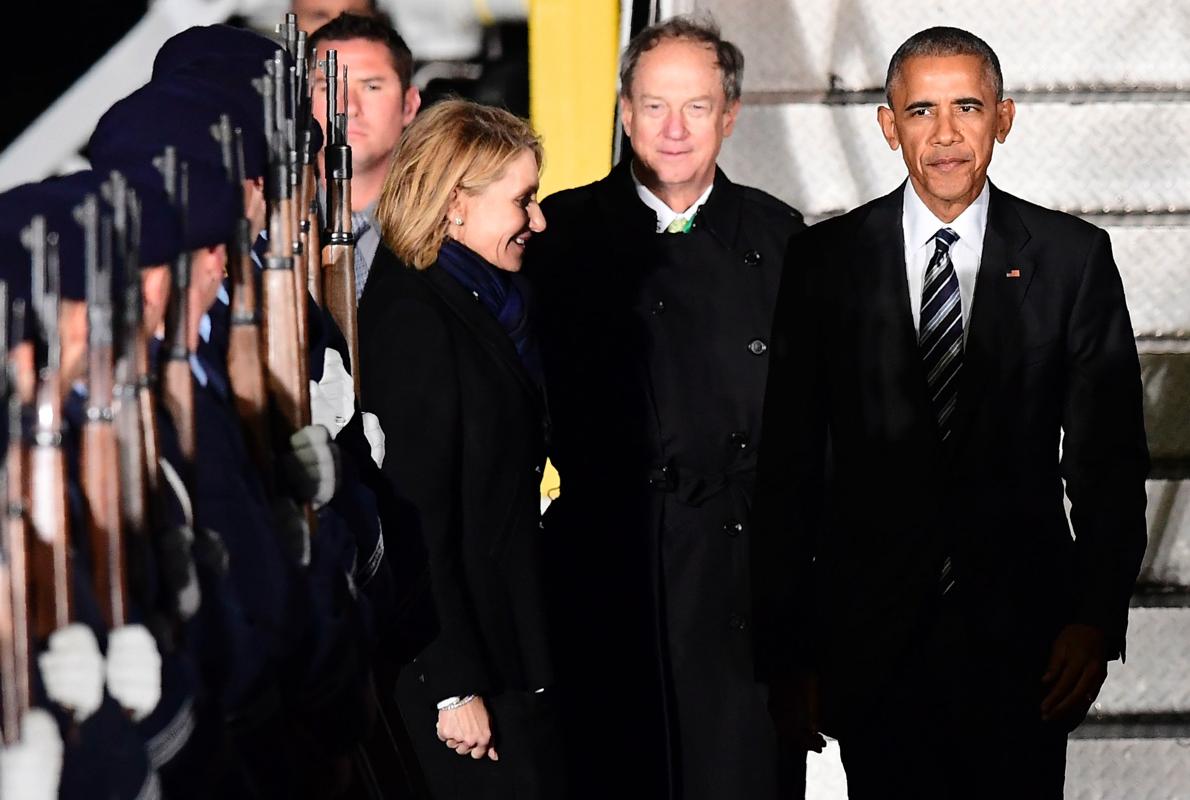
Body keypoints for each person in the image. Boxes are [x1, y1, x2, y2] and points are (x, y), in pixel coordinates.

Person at [750, 26, 1149, 800]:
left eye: (966, 107)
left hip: (1025, 651)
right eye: (921, 110)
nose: (944, 134)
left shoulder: (1072, 258)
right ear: (887, 124)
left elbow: (1108, 461)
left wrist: (1095, 619)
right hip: (870, 648)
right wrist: (786, 653)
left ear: (1003, 116)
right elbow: (789, 468)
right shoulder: (824, 261)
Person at [520, 15, 806, 800]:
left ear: (731, 114)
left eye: (696, 107)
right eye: (654, 106)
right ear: (623, 111)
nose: (674, 130)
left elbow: (817, 432)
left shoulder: (783, 238)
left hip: (740, 582)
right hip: (610, 569)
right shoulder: (558, 236)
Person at [357, 98, 562, 799]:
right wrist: (453, 685)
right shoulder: (415, 317)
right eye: (522, 200)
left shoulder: (482, 296)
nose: (537, 220)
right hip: (463, 671)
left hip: (506, 635)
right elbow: (413, 510)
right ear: (454, 206)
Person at [310, 12, 421, 299]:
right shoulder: (263, 220)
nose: (348, 107)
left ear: (409, 105)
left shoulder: (443, 219)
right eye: (329, 87)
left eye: (372, 86)